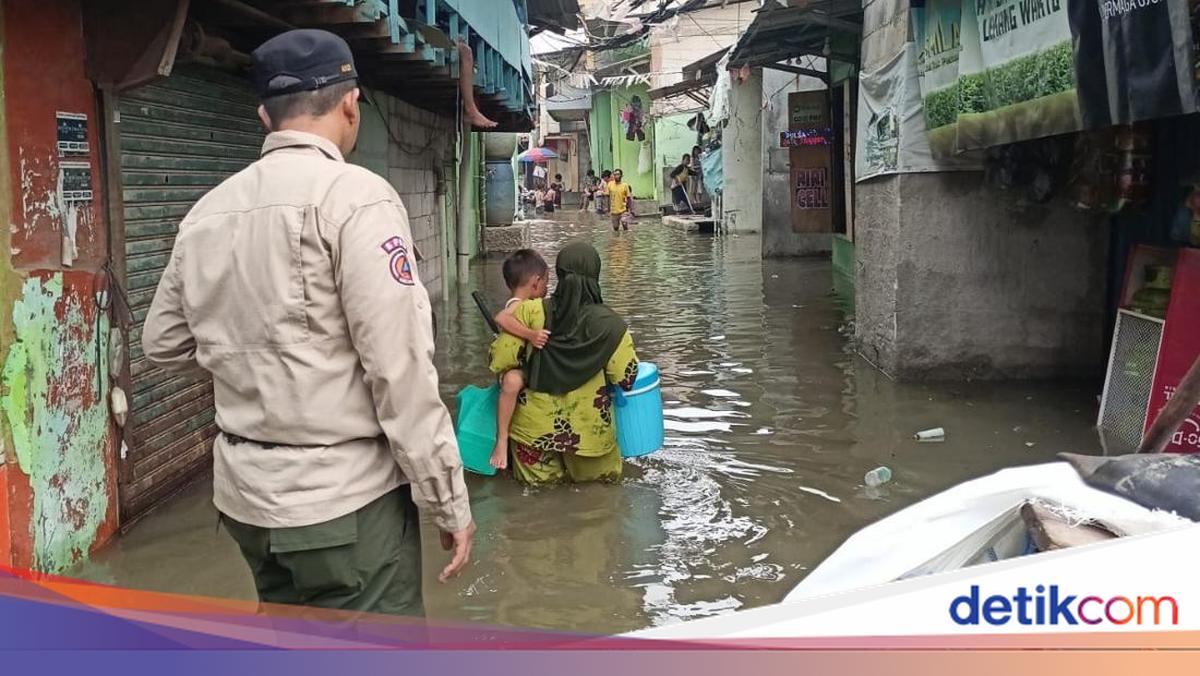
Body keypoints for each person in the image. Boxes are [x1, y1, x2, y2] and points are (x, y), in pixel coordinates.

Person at [141, 29, 474, 617]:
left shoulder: (208, 211)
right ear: (351, 103)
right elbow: (399, 370)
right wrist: (447, 502)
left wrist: (249, 350)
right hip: (344, 506)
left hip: (246, 505)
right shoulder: (357, 199)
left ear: (265, 116)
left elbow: (162, 342)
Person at [488, 240, 640, 485]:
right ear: (595, 275)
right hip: (589, 434)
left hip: (532, 432)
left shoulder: (530, 311)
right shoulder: (612, 326)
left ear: (558, 274)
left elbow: (499, 360)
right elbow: (627, 378)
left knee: (536, 505)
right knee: (598, 501)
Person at [489, 250, 551, 470]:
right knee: (512, 382)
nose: (547, 289)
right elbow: (500, 318)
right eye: (546, 283)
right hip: (514, 370)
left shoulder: (526, 304)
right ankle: (502, 439)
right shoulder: (517, 305)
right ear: (536, 282)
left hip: (525, 364)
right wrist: (531, 335)